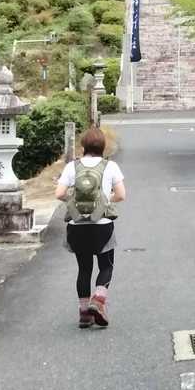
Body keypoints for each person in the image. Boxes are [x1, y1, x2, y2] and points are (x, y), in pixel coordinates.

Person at [55, 127, 126, 329]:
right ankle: (98, 300)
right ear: (103, 146)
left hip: (76, 225)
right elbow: (121, 195)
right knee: (106, 266)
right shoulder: (110, 166)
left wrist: (75, 202)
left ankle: (84, 314)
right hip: (101, 225)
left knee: (84, 269)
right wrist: (105, 200)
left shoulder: (72, 166)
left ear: (83, 145)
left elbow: (59, 193)